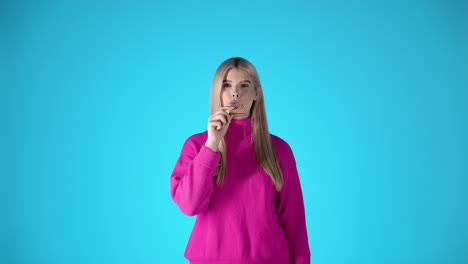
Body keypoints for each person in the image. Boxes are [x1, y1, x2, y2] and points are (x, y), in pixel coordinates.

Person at [169, 57, 311, 264]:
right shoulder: (197, 145)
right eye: (227, 85)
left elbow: (295, 222)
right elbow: (190, 206)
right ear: (217, 92)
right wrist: (212, 145)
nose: (235, 93)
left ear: (256, 94)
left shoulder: (279, 150)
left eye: (244, 85)